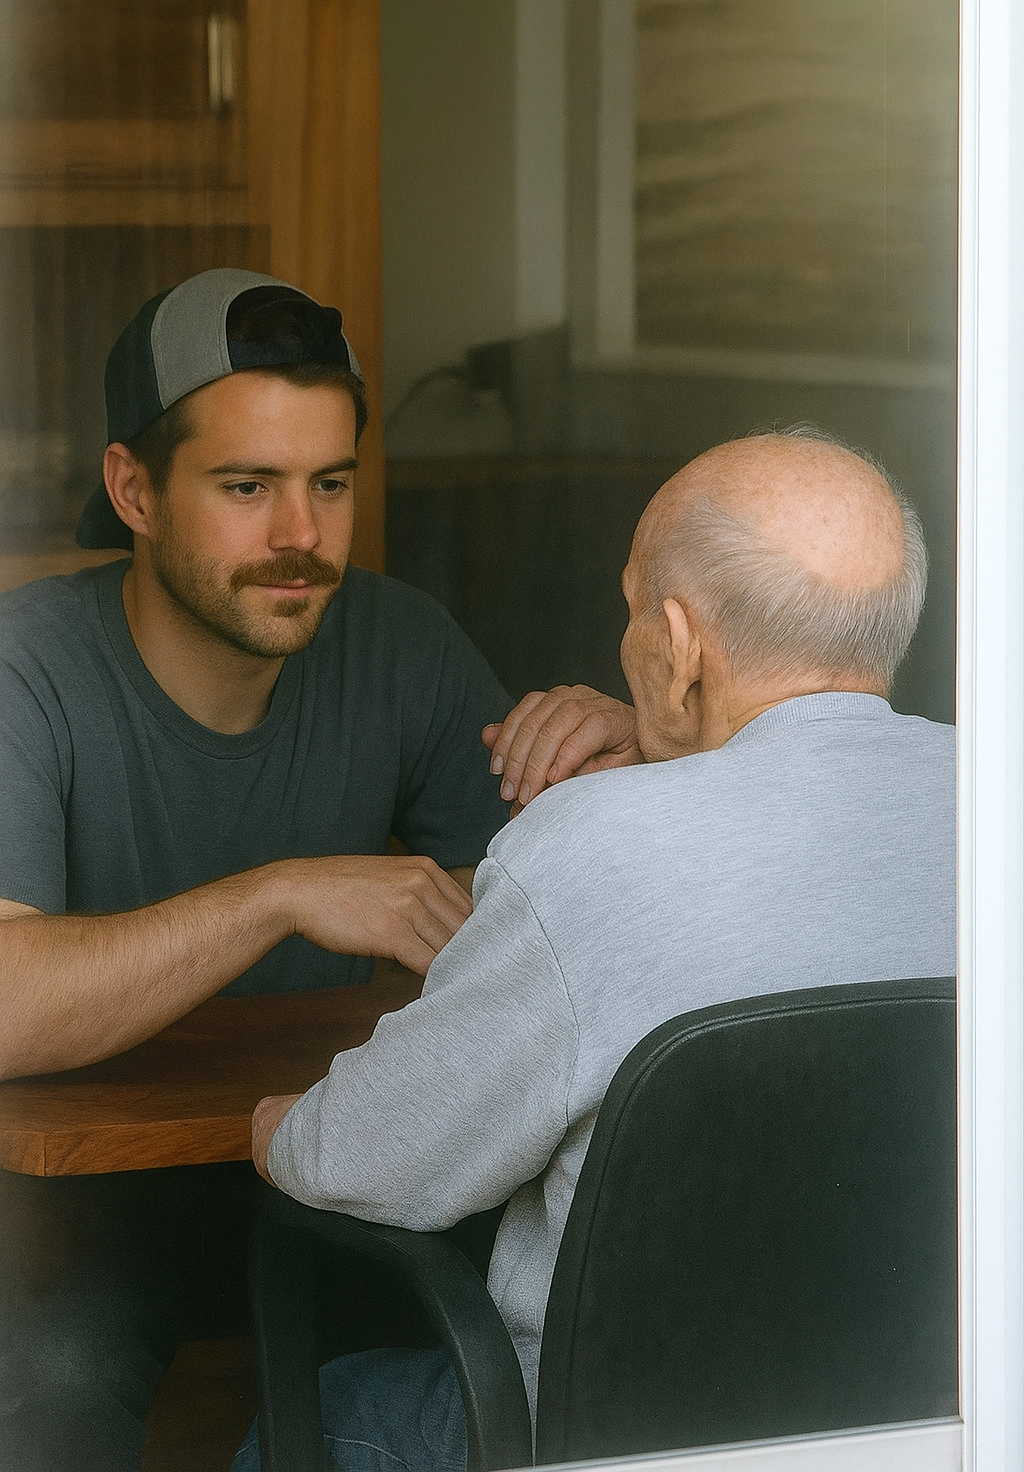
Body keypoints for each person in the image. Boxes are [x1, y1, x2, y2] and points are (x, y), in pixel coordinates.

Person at [0, 268, 637, 1472]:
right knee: (44, 1377)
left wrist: (628, 752)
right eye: (247, 488)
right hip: (82, 1213)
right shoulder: (24, 670)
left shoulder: (399, 642)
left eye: (329, 485)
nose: (301, 536)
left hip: (340, 1177)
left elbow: (581, 924)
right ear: (133, 489)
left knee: (570, 1317)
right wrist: (280, 891)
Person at [239, 428, 956, 1472]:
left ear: (675, 641)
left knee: (326, 1404)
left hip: (597, 1432)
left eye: (630, 611)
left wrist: (282, 1134)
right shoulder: (993, 807)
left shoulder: (588, 846)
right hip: (916, 1416)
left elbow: (371, 1164)